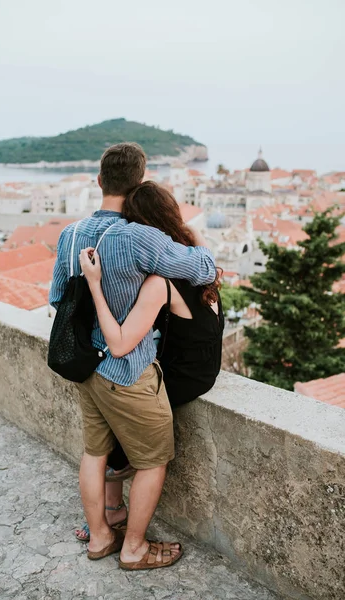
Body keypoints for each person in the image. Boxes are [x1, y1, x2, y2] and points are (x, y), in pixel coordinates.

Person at [50, 143, 217, 570]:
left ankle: (101, 537)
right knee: (153, 460)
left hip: (85, 367)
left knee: (94, 454)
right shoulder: (142, 237)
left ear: (100, 181)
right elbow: (203, 269)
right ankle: (135, 548)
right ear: (139, 183)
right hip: (127, 369)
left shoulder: (70, 234)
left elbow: (56, 299)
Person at [76, 180, 224, 542]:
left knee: (118, 410)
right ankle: (113, 510)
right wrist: (189, 231)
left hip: (181, 375)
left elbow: (121, 344)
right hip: (206, 368)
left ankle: (114, 517)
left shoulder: (160, 282)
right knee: (118, 411)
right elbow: (207, 260)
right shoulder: (199, 266)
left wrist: (95, 284)